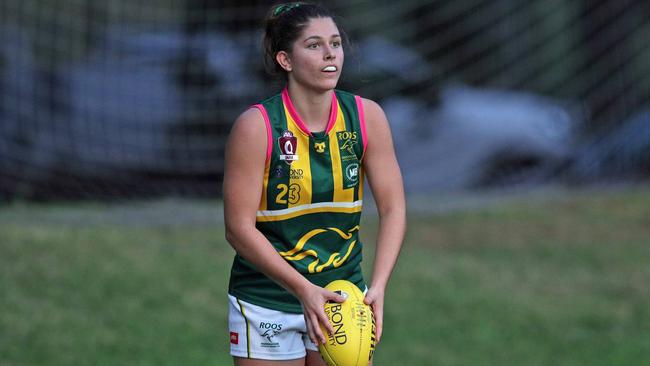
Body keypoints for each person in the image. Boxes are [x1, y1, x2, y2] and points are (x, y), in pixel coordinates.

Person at [223, 2, 406, 365]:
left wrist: (378, 287)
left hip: (342, 296)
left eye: (335, 44)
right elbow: (238, 229)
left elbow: (393, 207)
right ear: (285, 60)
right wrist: (302, 289)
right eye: (314, 45)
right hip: (268, 300)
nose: (330, 54)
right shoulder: (256, 127)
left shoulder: (366, 117)